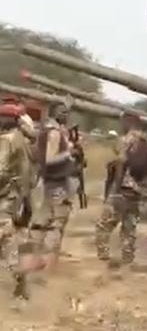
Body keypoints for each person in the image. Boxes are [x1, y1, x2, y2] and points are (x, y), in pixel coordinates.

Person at [95, 112, 147, 267]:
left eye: (123, 123)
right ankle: (127, 258)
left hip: (122, 189)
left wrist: (115, 189)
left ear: (128, 123)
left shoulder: (126, 141)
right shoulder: (146, 144)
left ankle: (103, 256)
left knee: (103, 225)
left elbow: (121, 163)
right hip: (136, 191)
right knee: (129, 228)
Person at [30, 102, 78, 269]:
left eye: (67, 112)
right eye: (62, 112)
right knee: (56, 225)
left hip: (48, 181)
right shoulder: (54, 133)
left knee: (40, 224)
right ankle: (50, 266)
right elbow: (51, 159)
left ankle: (35, 260)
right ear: (53, 113)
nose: (66, 115)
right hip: (57, 184)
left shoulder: (45, 131)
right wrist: (69, 152)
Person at [0, 101, 37, 299]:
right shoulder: (23, 139)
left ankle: (19, 281)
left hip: (5, 199)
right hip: (18, 198)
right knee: (13, 241)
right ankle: (21, 283)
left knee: (7, 242)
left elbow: (0, 170)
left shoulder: (7, 140)